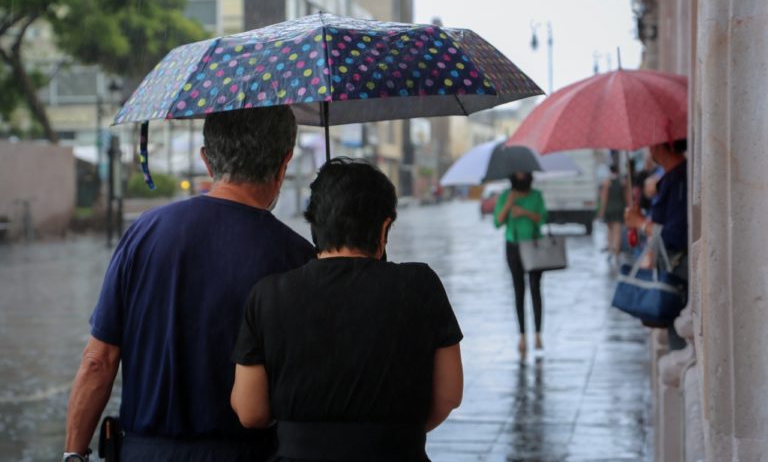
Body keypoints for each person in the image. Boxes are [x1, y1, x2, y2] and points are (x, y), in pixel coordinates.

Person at [63, 106, 316, 462]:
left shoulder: (145, 233)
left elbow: (98, 362)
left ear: (206, 161)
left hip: (145, 453)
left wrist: (73, 455)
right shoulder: (299, 258)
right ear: (284, 162)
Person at [230, 157, 463, 462]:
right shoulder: (420, 285)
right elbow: (448, 395)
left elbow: (250, 412)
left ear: (314, 224)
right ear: (384, 227)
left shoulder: (268, 295)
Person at [625, 139, 688, 347]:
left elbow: (675, 234)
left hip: (679, 272)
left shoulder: (681, 178)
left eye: (653, 144)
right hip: (668, 266)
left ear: (664, 146)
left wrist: (642, 223)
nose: (650, 149)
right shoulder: (670, 178)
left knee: (678, 339)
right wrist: (641, 219)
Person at [493, 172, 548, 355]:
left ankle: (538, 333)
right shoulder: (506, 196)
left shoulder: (536, 195)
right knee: (518, 291)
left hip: (534, 246)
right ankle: (522, 335)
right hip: (513, 247)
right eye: (518, 173)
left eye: (524, 172)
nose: (521, 176)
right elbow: (497, 222)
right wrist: (509, 204)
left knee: (535, 288)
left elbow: (543, 218)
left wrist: (524, 212)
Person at [597, 164, 627, 262]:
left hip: (609, 209)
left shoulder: (607, 182)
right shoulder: (622, 182)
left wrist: (601, 211)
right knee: (617, 232)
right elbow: (625, 197)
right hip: (619, 208)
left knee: (610, 231)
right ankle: (617, 252)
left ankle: (610, 251)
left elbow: (604, 198)